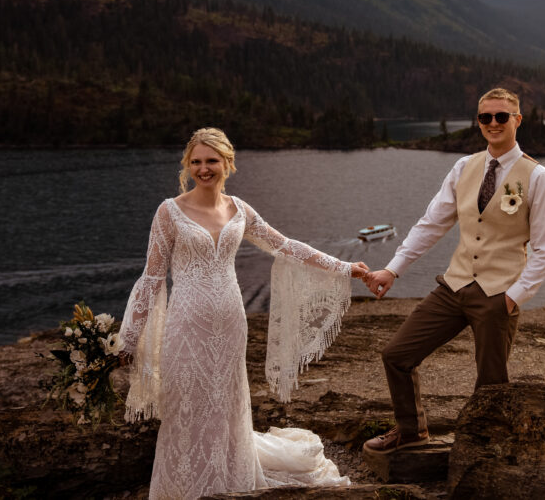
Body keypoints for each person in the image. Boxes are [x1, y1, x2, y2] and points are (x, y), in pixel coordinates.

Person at [118, 127, 369, 499]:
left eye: (212, 161)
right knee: (186, 405)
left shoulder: (240, 209)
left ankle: (228, 481)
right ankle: (184, 486)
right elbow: (152, 277)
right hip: (186, 323)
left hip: (231, 320)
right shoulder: (169, 212)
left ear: (227, 163)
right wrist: (128, 338)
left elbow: (285, 246)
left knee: (225, 404)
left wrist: (344, 267)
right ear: (187, 165)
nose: (204, 169)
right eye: (197, 162)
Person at [362, 88, 545, 453]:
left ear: (517, 120)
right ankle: (410, 432)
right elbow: (431, 224)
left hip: (499, 294)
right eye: (486, 117)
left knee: (491, 384)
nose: (493, 124)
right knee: (397, 355)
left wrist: (514, 297)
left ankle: (486, 450)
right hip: (454, 286)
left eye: (502, 116)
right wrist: (393, 270)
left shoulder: (537, 176)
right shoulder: (463, 167)